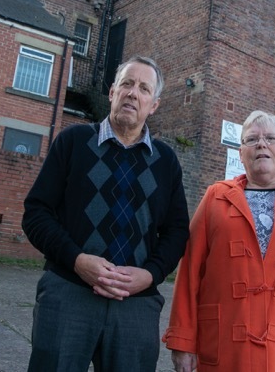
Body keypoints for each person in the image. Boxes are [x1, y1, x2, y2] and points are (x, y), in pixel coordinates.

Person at [22, 55, 190, 372]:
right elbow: (36, 213)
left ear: (153, 104)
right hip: (67, 294)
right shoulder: (73, 142)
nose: (133, 93)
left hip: (136, 306)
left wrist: (151, 274)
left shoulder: (166, 162)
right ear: (112, 92)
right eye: (127, 83)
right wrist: (76, 260)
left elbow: (177, 232)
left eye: (144, 88)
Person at [163, 110, 275, 372]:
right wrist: (182, 341)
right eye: (252, 139)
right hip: (224, 348)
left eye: (271, 138)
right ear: (241, 153)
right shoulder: (216, 197)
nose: (262, 144)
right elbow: (190, 273)